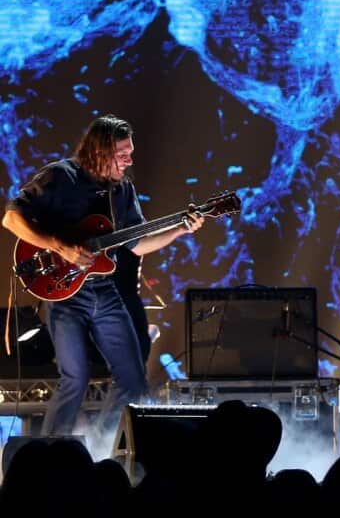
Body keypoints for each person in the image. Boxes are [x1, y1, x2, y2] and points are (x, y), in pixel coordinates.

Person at [3, 115, 204, 436]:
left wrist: (180, 229)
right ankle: (49, 454)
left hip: (104, 292)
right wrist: (60, 247)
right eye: (122, 153)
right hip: (65, 295)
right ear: (99, 151)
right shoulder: (60, 176)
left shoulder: (121, 191)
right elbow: (11, 219)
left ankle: (100, 446)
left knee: (133, 380)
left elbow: (136, 245)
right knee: (75, 378)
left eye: (130, 153)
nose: (129, 160)